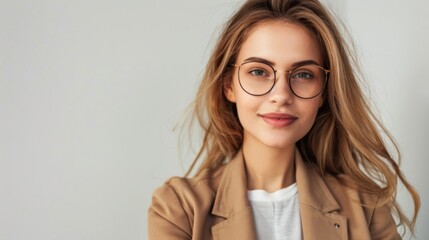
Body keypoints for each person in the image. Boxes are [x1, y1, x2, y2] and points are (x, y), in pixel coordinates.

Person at [148, 0, 420, 239]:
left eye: (303, 74)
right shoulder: (178, 208)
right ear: (228, 85)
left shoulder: (366, 205)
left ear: (324, 91)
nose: (281, 95)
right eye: (258, 71)